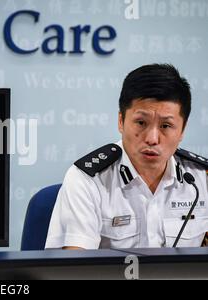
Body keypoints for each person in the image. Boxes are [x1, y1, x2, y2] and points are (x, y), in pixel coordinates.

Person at [45, 64, 208, 250]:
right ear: (121, 121)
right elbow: (74, 268)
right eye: (141, 122)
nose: (152, 139)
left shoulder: (202, 179)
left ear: (182, 131)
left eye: (165, 126)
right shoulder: (87, 179)